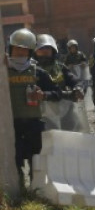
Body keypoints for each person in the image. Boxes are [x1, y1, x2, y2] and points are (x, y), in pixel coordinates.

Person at [6, 28, 61, 188]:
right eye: (17, 48)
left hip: (33, 123)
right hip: (11, 125)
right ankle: (18, 190)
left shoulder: (38, 72)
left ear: (30, 52)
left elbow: (57, 93)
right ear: (10, 49)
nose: (20, 52)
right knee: (14, 158)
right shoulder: (4, 71)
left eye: (24, 49)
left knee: (36, 159)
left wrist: (43, 95)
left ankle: (36, 190)